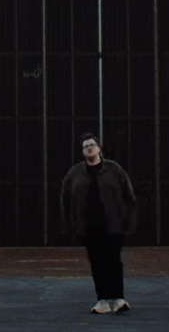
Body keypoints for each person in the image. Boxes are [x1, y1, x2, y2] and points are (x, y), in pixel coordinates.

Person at [60, 132, 137, 314]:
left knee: (113, 262)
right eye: (86, 146)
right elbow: (65, 200)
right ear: (82, 151)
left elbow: (129, 196)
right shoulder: (75, 174)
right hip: (89, 227)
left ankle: (118, 298)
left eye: (92, 145)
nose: (89, 149)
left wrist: (128, 223)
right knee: (97, 263)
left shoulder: (114, 170)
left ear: (99, 148)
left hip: (114, 225)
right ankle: (102, 299)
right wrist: (71, 227)